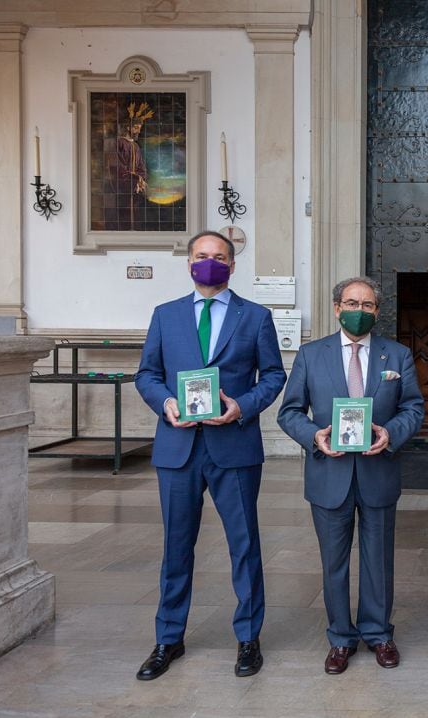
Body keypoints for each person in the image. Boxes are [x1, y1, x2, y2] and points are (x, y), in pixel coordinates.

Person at [134, 230, 287, 681]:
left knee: (244, 546)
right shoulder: (166, 316)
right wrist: (166, 403)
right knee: (176, 548)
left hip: (234, 447)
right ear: (189, 262)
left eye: (219, 257)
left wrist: (242, 406)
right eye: (202, 256)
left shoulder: (255, 316)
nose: (210, 263)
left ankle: (248, 638)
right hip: (178, 447)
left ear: (232, 265)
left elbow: (274, 376)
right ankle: (168, 638)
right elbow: (147, 374)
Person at [277, 277, 424, 675]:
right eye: (352, 302)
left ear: (378, 311)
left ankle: (378, 633)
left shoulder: (397, 356)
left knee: (378, 560)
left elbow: (413, 407)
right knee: (334, 562)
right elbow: (288, 412)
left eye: (369, 304)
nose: (360, 310)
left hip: (379, 471)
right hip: (329, 474)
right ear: (337, 307)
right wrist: (315, 437)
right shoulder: (311, 355)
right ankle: (341, 638)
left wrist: (391, 432)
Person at [105, 101, 151, 231]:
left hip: (135, 185)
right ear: (128, 127)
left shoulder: (136, 146)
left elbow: (141, 165)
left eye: (139, 128)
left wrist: (141, 178)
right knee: (123, 212)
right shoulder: (119, 143)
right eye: (136, 127)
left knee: (135, 214)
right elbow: (116, 165)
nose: (138, 131)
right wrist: (133, 178)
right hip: (123, 185)